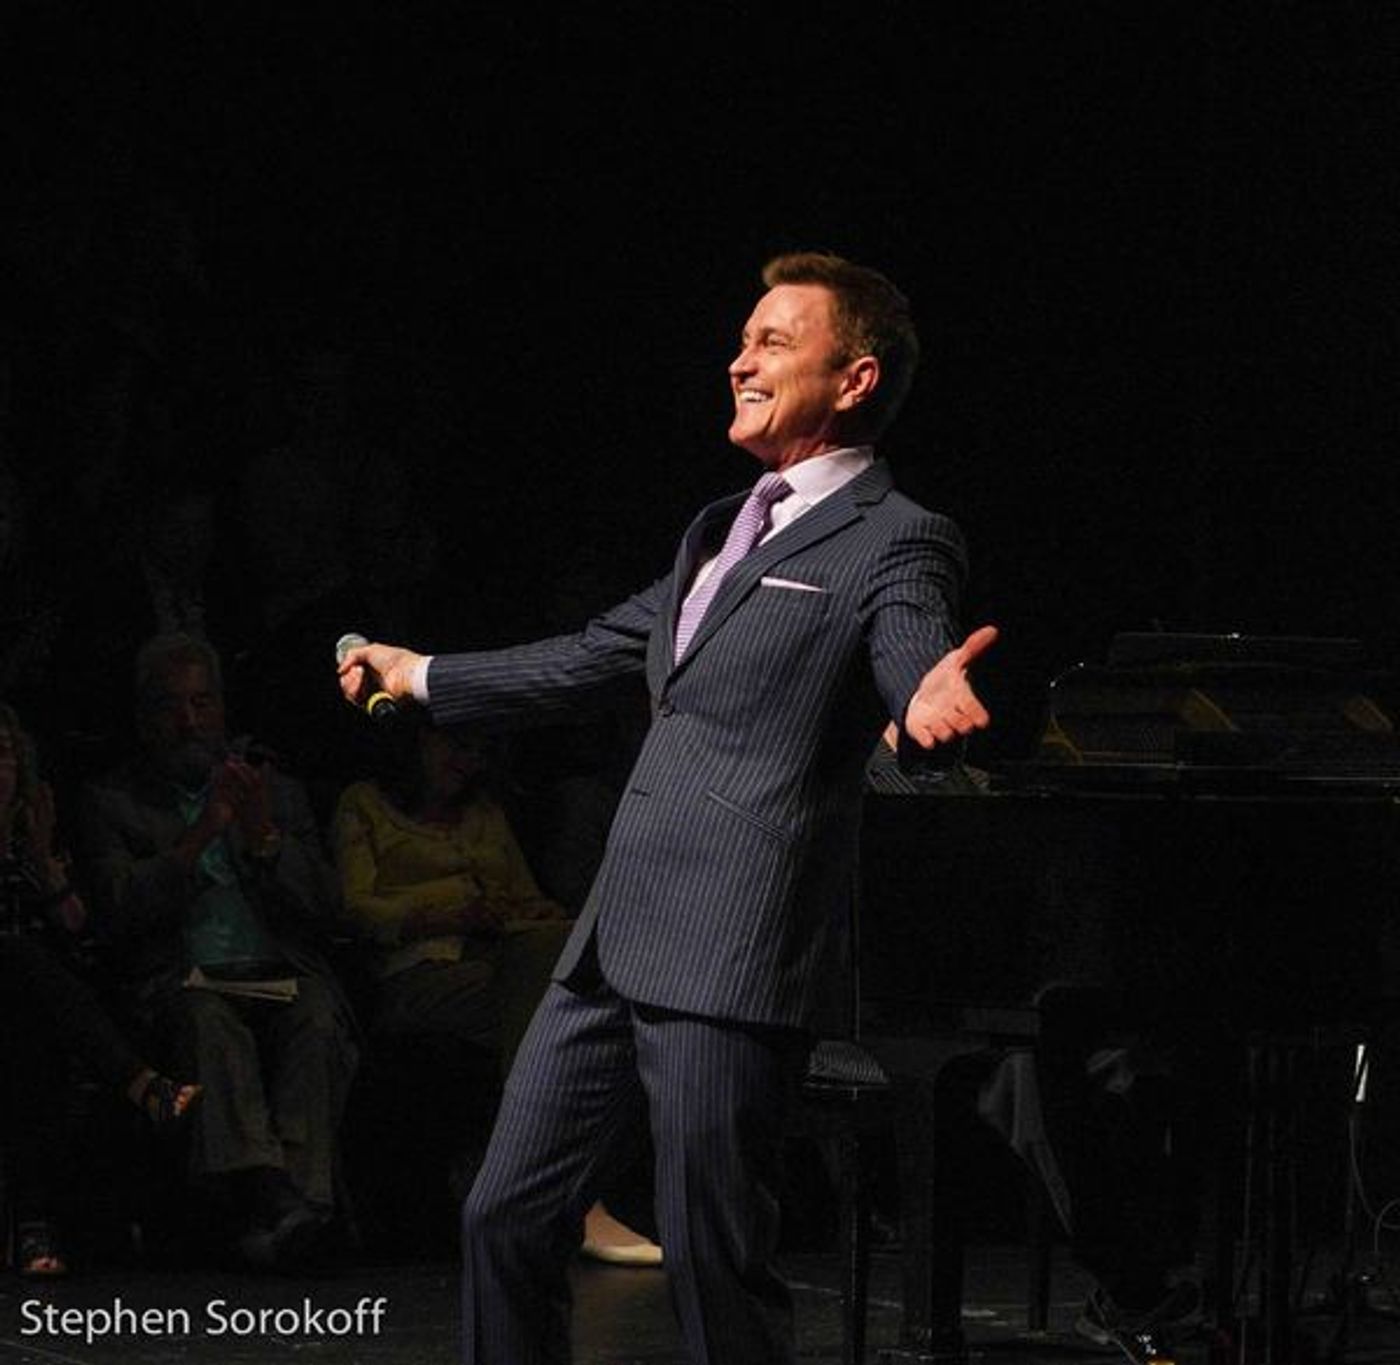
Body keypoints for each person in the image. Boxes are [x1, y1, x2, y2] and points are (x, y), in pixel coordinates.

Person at [339, 253, 995, 1364]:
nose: (740, 360)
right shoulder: (719, 529)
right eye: (741, 340)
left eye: (775, 342)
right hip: (611, 935)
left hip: (730, 948)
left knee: (711, 1259)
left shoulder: (898, 537)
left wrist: (926, 697)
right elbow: (594, 655)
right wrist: (427, 676)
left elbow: (910, 645)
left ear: (854, 378)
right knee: (502, 1216)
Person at [332, 714, 660, 1264]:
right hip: (417, 974)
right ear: (416, 740)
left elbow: (522, 893)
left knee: (568, 965)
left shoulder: (483, 813)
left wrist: (526, 909)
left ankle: (536, 1181)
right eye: (453, 744)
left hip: (493, 966)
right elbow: (356, 907)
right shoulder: (364, 804)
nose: (466, 761)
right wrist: (450, 914)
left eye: (478, 750)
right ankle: (564, 1191)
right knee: (545, 1002)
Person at [80, 633, 357, 1270]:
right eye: (171, 706)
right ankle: (277, 1202)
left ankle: (292, 1215)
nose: (190, 722)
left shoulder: (270, 789)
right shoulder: (112, 800)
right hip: (184, 979)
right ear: (144, 717)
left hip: (280, 974)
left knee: (317, 1017)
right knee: (208, 1020)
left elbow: (327, 910)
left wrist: (263, 838)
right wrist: (198, 835)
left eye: (203, 703)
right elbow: (119, 912)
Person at [1, 700, 200, 1277]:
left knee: (28, 1036)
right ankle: (142, 1084)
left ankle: (36, 1234)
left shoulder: (32, 846)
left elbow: (79, 938)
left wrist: (47, 866)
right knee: (13, 956)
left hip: (32, 1016)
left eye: (6, 755)